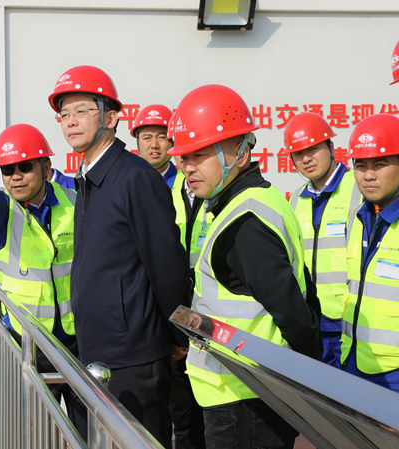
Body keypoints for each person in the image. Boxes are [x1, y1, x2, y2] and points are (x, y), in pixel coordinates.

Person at [169, 84, 322, 449]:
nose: (187, 167)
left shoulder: (245, 221)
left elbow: (292, 312)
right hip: (242, 392)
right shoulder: (248, 202)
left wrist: (305, 378)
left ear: (239, 152)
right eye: (184, 157)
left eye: (199, 154)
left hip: (246, 397)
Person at [49, 65, 190, 447]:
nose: (71, 121)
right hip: (97, 347)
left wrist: (177, 333)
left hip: (134, 353)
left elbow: (166, 264)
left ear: (111, 118)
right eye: (64, 113)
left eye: (81, 111)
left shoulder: (135, 177)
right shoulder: (89, 177)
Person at [0, 123, 86, 437]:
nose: (16, 176)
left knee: (86, 431)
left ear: (46, 167)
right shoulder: (2, 213)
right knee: (39, 434)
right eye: (8, 170)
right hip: (30, 345)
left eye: (25, 167)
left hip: (77, 340)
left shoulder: (75, 201)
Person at [132, 105, 206, 449]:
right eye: (146, 137)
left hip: (188, 309)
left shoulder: (188, 186)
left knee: (189, 411)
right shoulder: (129, 184)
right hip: (148, 314)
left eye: (162, 137)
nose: (154, 144)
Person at [284, 112, 361, 368]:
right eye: (298, 153)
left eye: (313, 149)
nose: (306, 159)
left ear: (331, 146)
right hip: (312, 322)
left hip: (351, 321)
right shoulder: (294, 200)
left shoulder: (358, 188)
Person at [342, 114, 399, 392]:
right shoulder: (355, 218)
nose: (368, 175)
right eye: (360, 165)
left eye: (380, 164)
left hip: (393, 372)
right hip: (352, 360)